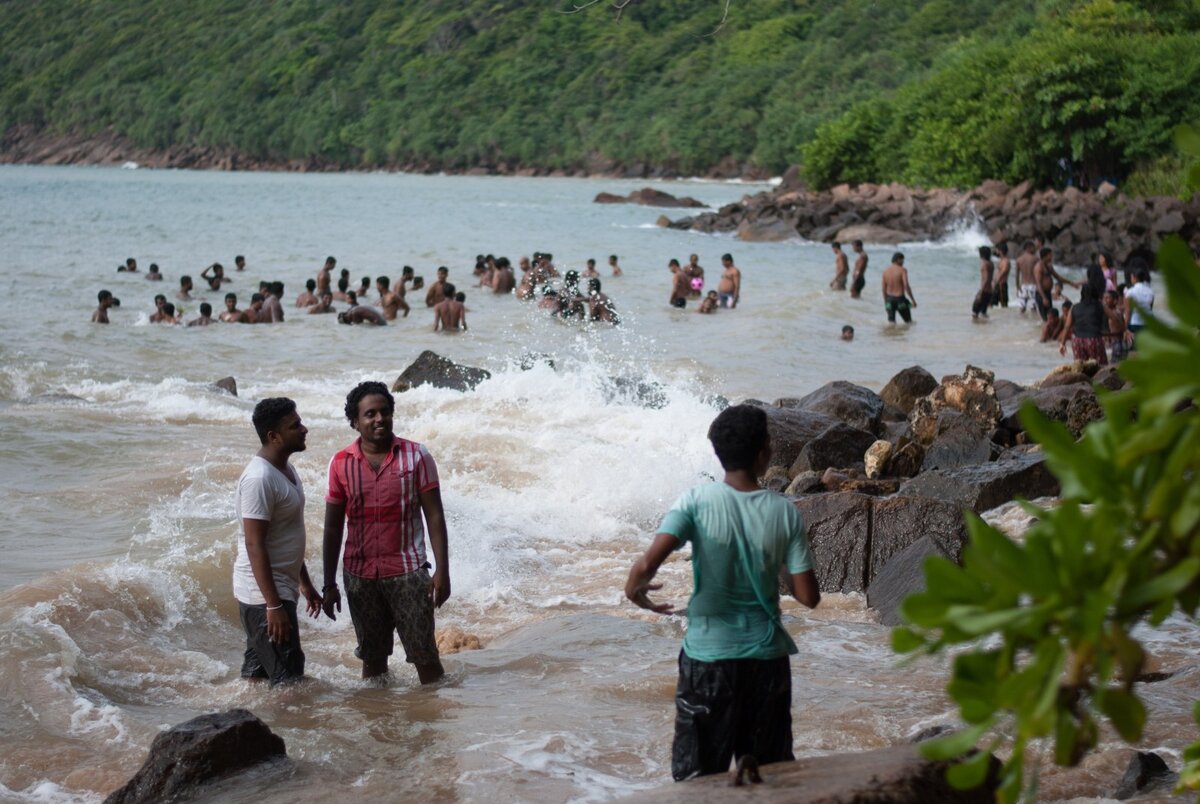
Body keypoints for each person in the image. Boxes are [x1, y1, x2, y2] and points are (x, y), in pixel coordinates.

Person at [625, 404, 820, 781]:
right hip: (767, 662)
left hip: (708, 662)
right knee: (773, 777)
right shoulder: (784, 513)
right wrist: (771, 553)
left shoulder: (696, 501)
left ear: (718, 452)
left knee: (696, 779)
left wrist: (637, 592)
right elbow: (807, 596)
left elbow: (646, 566)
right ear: (765, 451)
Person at [321, 381, 451, 683]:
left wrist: (442, 571)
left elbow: (434, 515)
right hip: (359, 577)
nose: (379, 419)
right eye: (370, 414)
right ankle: (380, 723)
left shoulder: (417, 456)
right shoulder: (340, 463)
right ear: (355, 422)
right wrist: (328, 584)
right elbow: (332, 527)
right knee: (373, 664)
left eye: (385, 412)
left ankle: (435, 724)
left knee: (426, 661)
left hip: (408, 574)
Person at [233, 398, 322, 686]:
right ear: (273, 436)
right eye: (295, 426)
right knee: (290, 683)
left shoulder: (286, 470)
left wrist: (304, 582)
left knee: (258, 679)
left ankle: (249, 728)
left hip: (277, 590)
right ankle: (290, 731)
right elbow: (254, 544)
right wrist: (273, 606)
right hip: (264, 595)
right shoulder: (259, 478)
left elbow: (286, 534)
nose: (304, 429)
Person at [1058, 284, 1108, 365]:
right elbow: (1114, 318)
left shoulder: (1074, 307)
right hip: (1093, 339)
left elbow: (1067, 327)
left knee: (1080, 367)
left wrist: (1062, 344)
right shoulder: (1100, 306)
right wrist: (1124, 330)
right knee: (1100, 366)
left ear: (1082, 294)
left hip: (1077, 340)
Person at [1034, 247, 1079, 321]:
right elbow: (1038, 284)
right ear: (1045, 256)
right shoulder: (1038, 267)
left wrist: (1071, 283)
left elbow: (1058, 277)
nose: (1052, 256)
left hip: (1047, 293)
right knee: (1046, 318)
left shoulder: (1049, 266)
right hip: (1041, 294)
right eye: (1050, 255)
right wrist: (1044, 298)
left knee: (1051, 316)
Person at [1123, 266, 1154, 350]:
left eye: (1131, 277)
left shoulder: (1130, 292)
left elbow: (1127, 311)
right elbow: (1150, 309)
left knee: (1134, 350)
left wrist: (1125, 328)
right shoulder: (1150, 291)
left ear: (1135, 278)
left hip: (1135, 324)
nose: (1131, 279)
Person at [881, 252, 917, 324]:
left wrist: (885, 302)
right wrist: (913, 300)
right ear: (898, 260)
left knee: (891, 323)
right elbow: (906, 285)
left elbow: (883, 289)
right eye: (902, 260)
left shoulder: (885, 271)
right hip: (900, 300)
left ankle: (892, 335)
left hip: (889, 300)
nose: (903, 262)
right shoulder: (902, 270)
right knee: (908, 322)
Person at [1015, 240, 1039, 314]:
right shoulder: (1035, 259)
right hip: (1033, 285)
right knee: (1033, 308)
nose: (1035, 250)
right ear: (1029, 248)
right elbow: (1038, 273)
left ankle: (1021, 324)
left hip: (1023, 286)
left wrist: (1017, 286)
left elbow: (1017, 275)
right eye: (1033, 248)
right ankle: (1032, 324)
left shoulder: (1019, 260)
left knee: (1022, 308)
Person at [1103, 290, 1128, 362]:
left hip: (1117, 344)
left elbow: (1118, 331)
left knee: (1114, 367)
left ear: (1115, 301)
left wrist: (1103, 335)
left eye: (1107, 298)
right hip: (1121, 343)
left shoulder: (1114, 314)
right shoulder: (1118, 312)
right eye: (1104, 298)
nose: (1105, 301)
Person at [972, 246, 994, 319]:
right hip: (990, 291)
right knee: (983, 313)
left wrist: (981, 292)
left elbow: (986, 278)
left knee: (975, 313)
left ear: (982, 254)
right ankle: (984, 329)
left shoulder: (985, 264)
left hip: (984, 290)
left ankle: (977, 329)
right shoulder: (991, 263)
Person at [992, 243, 1010, 308]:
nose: (996, 251)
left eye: (997, 250)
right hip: (998, 284)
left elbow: (1004, 271)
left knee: (1004, 305)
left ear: (1000, 251)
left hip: (1001, 285)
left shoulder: (1005, 261)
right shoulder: (1001, 260)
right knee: (991, 304)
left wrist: (996, 282)